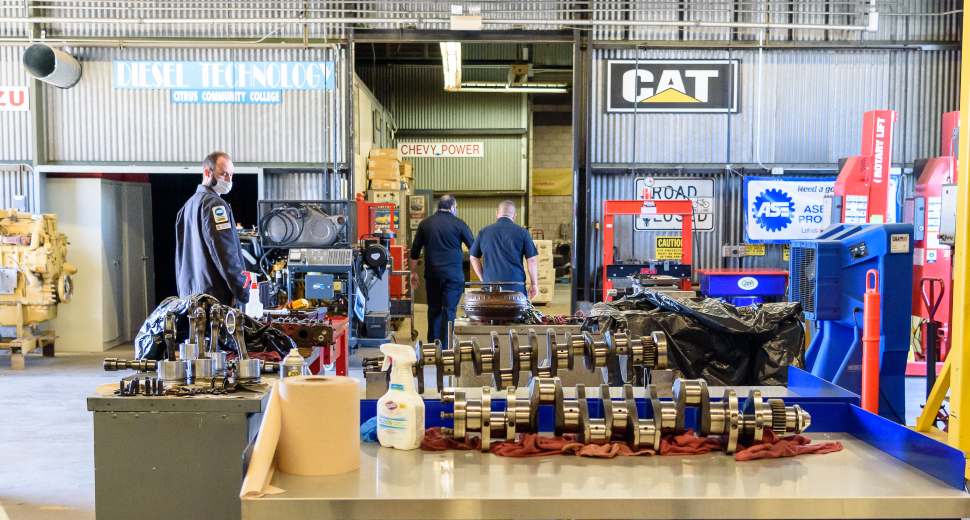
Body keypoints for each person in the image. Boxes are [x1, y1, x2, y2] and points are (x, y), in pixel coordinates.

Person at [175, 151, 249, 307]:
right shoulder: (215, 205)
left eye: (231, 175)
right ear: (207, 173)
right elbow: (224, 253)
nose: (229, 180)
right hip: (213, 299)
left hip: (189, 298)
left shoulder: (188, 206)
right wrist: (243, 291)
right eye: (223, 174)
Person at [409, 195, 475, 344]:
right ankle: (446, 347)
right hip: (454, 275)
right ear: (452, 207)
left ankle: (433, 346)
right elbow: (474, 248)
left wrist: (413, 273)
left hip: (432, 274)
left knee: (434, 309)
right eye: (456, 207)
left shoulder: (425, 223)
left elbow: (415, 250)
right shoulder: (459, 224)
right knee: (450, 309)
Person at [470, 201, 539, 299]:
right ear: (514, 216)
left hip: (490, 286)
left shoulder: (484, 232)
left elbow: (473, 257)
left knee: (491, 313)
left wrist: (483, 279)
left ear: (497, 214)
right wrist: (534, 284)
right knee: (515, 313)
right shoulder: (523, 232)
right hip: (516, 286)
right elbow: (531, 260)